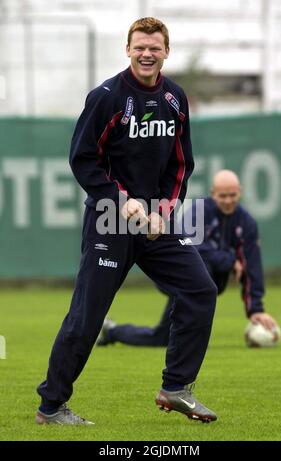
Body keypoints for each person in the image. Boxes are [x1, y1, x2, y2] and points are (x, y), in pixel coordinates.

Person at [35, 17, 218, 425]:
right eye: (140, 47)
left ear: (166, 52)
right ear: (128, 49)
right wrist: (122, 201)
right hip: (108, 221)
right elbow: (83, 160)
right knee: (87, 318)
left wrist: (162, 212)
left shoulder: (176, 98)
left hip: (156, 222)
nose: (147, 54)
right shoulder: (106, 97)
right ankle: (50, 407)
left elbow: (181, 164)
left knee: (200, 290)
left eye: (155, 47)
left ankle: (176, 388)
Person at [96, 170, 278, 348]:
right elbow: (192, 249)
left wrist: (255, 309)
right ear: (213, 193)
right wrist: (230, 260)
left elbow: (252, 266)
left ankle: (110, 331)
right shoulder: (198, 211)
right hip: (179, 277)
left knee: (162, 338)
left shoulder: (247, 223)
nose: (228, 200)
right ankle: (112, 331)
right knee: (200, 265)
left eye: (233, 195)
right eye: (223, 196)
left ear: (240, 192)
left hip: (207, 286)